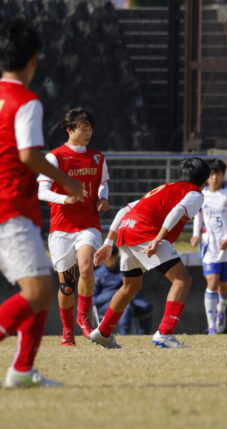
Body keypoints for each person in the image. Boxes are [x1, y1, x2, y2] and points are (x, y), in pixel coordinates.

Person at [0, 18, 83, 388]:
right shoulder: (26, 100)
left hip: (13, 209)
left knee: (40, 290)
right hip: (10, 208)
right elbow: (29, 154)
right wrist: (67, 180)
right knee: (37, 291)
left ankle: (22, 370)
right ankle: (21, 370)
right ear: (34, 60)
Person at [91, 157, 210, 349]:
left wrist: (108, 242)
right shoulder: (195, 193)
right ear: (205, 179)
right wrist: (157, 239)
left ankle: (103, 331)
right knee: (182, 279)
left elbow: (124, 210)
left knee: (130, 287)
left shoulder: (165, 188)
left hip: (126, 230)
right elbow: (178, 211)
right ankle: (165, 333)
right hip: (145, 232)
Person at [37, 107, 109, 346]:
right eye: (84, 129)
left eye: (90, 129)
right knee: (67, 286)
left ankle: (83, 319)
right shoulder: (55, 157)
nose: (88, 133)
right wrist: (65, 199)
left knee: (86, 268)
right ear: (70, 130)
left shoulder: (97, 158)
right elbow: (42, 191)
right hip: (61, 228)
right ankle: (67, 331)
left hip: (88, 224)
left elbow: (103, 184)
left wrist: (103, 198)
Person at [190, 159, 227, 335]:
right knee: (212, 282)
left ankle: (221, 311)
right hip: (210, 246)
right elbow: (198, 216)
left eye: (218, 174)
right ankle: (212, 327)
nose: (214, 177)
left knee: (224, 288)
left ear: (223, 175)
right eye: (211, 174)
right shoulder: (201, 195)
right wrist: (196, 234)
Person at [94, 246, 153, 335]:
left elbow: (137, 289)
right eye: (110, 257)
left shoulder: (125, 269)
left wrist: (130, 295)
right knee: (125, 306)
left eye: (115, 256)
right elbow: (94, 299)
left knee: (146, 306)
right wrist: (115, 295)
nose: (113, 260)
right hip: (106, 305)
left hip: (131, 300)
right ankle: (124, 335)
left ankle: (144, 335)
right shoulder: (97, 275)